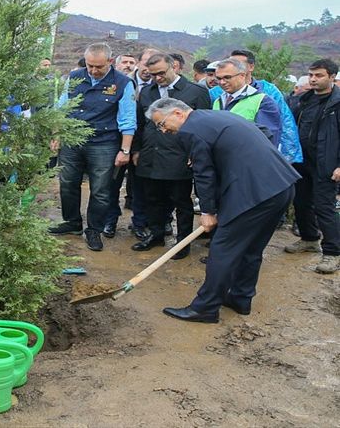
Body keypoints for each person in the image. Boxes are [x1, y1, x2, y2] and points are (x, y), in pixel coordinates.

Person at [149, 100, 299, 323]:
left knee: (222, 249)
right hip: (281, 185)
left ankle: (205, 308)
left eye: (162, 123)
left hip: (253, 193)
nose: (163, 130)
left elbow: (204, 174)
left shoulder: (189, 131)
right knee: (251, 248)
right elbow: (264, 132)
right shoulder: (215, 116)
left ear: (178, 113)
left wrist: (208, 212)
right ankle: (240, 297)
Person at [50, 42, 136, 251]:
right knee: (68, 182)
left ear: (109, 61)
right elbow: (61, 108)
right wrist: (56, 136)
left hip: (103, 143)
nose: (94, 71)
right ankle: (72, 222)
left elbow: (128, 119)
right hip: (72, 140)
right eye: (90, 66)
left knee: (101, 189)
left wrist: (125, 150)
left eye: (99, 66)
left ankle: (94, 229)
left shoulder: (123, 83)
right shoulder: (73, 77)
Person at [132, 54, 211, 258]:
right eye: (152, 75)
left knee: (181, 202)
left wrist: (196, 154)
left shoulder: (195, 91)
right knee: (152, 199)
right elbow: (141, 124)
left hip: (179, 156)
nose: (157, 78)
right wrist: (137, 150)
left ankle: (182, 243)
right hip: (151, 155)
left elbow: (204, 126)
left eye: (161, 73)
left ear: (173, 67)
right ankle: (156, 235)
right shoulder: (147, 91)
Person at [286, 59, 340, 274]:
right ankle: (309, 239)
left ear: (332, 77)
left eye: (319, 75)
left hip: (326, 164)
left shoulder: (337, 103)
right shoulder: (303, 100)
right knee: (300, 202)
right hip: (302, 162)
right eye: (311, 75)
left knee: (324, 207)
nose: (313, 79)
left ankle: (333, 253)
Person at [211, 58, 282, 146]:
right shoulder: (218, 101)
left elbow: (268, 140)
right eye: (218, 78)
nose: (222, 82)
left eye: (227, 77)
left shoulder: (263, 101)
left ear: (242, 76)